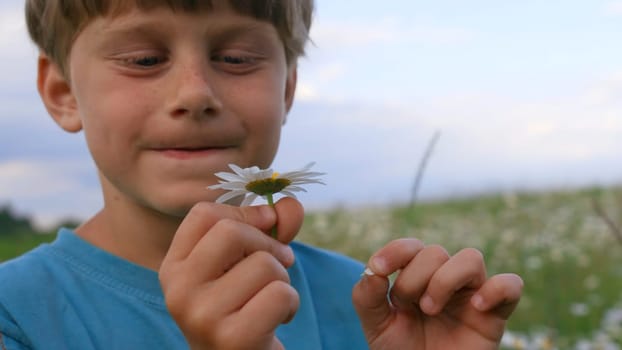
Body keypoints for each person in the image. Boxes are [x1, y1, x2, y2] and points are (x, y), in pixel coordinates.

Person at [0, 0, 523, 349]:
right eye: (143, 59)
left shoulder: (374, 302)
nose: (195, 94)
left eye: (236, 57)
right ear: (63, 94)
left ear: (288, 90)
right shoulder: (16, 317)